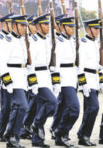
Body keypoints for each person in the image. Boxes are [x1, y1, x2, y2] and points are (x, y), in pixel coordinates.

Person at [53, 17, 87, 147]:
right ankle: (60, 132)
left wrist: (82, 81)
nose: (72, 29)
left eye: (73, 27)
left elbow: (78, 64)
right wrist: (56, 82)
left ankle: (61, 136)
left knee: (66, 109)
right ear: (62, 27)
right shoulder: (59, 42)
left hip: (72, 78)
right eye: (70, 27)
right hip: (64, 79)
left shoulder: (73, 41)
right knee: (74, 108)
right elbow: (55, 64)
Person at [30, 13, 57, 148]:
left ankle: (37, 140)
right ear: (38, 26)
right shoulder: (33, 41)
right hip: (38, 77)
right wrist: (33, 82)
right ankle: (37, 123)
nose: (48, 26)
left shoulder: (47, 40)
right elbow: (30, 64)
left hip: (46, 76)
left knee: (43, 106)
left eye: (48, 24)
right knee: (52, 102)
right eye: (45, 24)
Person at [3, 14, 30, 148]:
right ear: (14, 26)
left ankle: (11, 137)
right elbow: (2, 63)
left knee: (18, 108)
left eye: (25, 25)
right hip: (13, 79)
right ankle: (13, 135)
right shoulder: (8, 41)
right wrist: (7, 81)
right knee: (23, 107)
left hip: (22, 79)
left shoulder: (22, 41)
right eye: (22, 25)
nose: (25, 28)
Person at [77, 19, 102, 146]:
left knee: (89, 109)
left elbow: (97, 65)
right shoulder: (84, 43)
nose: (98, 31)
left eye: (99, 29)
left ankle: (83, 136)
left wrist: (101, 80)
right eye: (95, 29)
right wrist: (83, 83)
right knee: (94, 107)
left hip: (95, 79)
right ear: (88, 29)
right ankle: (84, 135)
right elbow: (80, 65)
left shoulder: (96, 43)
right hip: (87, 79)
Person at [0, 12, 14, 142]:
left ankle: (5, 131)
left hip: (15, 76)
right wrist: (4, 79)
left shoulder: (11, 38)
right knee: (6, 106)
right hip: (5, 77)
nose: (12, 25)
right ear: (4, 24)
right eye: (10, 23)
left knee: (12, 106)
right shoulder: (1, 38)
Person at [49, 14, 67, 140]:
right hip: (56, 74)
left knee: (62, 104)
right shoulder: (54, 39)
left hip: (68, 76)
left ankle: (55, 127)